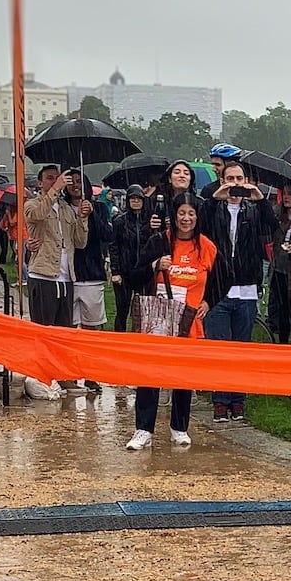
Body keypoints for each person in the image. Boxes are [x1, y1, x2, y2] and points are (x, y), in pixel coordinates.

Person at [125, 193, 215, 451]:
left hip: (188, 322)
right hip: (158, 321)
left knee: (183, 375)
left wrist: (208, 301)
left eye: (191, 214)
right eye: (181, 213)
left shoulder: (206, 246)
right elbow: (134, 276)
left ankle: (179, 427)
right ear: (174, 216)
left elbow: (222, 278)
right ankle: (143, 428)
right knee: (149, 374)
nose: (186, 219)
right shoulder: (159, 242)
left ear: (197, 217)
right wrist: (154, 264)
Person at [199, 159, 275, 421]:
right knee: (220, 349)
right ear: (222, 181)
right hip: (218, 287)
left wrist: (259, 199)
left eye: (239, 179)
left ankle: (238, 399)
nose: (234, 184)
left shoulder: (253, 210)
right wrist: (214, 199)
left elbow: (272, 228)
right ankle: (220, 399)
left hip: (246, 288)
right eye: (230, 179)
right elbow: (199, 227)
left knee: (242, 349)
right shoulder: (214, 209)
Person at [23, 164, 91, 354]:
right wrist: (55, 188)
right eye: (50, 178)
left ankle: (62, 376)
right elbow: (37, 216)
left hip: (66, 276)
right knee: (44, 330)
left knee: (64, 332)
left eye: (57, 177)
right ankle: (42, 374)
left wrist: (83, 218)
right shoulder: (32, 204)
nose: (55, 181)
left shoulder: (66, 208)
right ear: (40, 182)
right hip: (43, 274)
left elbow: (79, 242)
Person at [62, 170, 111, 370]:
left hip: (91, 273)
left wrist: (91, 216)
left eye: (79, 181)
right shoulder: (63, 208)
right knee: (70, 324)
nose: (75, 186)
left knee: (91, 324)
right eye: (71, 182)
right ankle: (71, 365)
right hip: (68, 273)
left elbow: (107, 234)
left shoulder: (98, 207)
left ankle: (90, 366)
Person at [110, 187, 153, 333]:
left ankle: (139, 339)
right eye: (132, 198)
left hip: (143, 272)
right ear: (128, 201)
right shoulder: (119, 221)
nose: (135, 201)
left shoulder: (149, 221)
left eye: (138, 198)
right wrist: (115, 271)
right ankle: (118, 339)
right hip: (124, 272)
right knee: (122, 310)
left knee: (143, 311)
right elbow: (114, 246)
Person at [268, 183, 291, 344]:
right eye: (285, 194)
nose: (287, 198)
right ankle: (282, 341)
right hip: (279, 268)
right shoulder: (278, 216)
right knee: (282, 310)